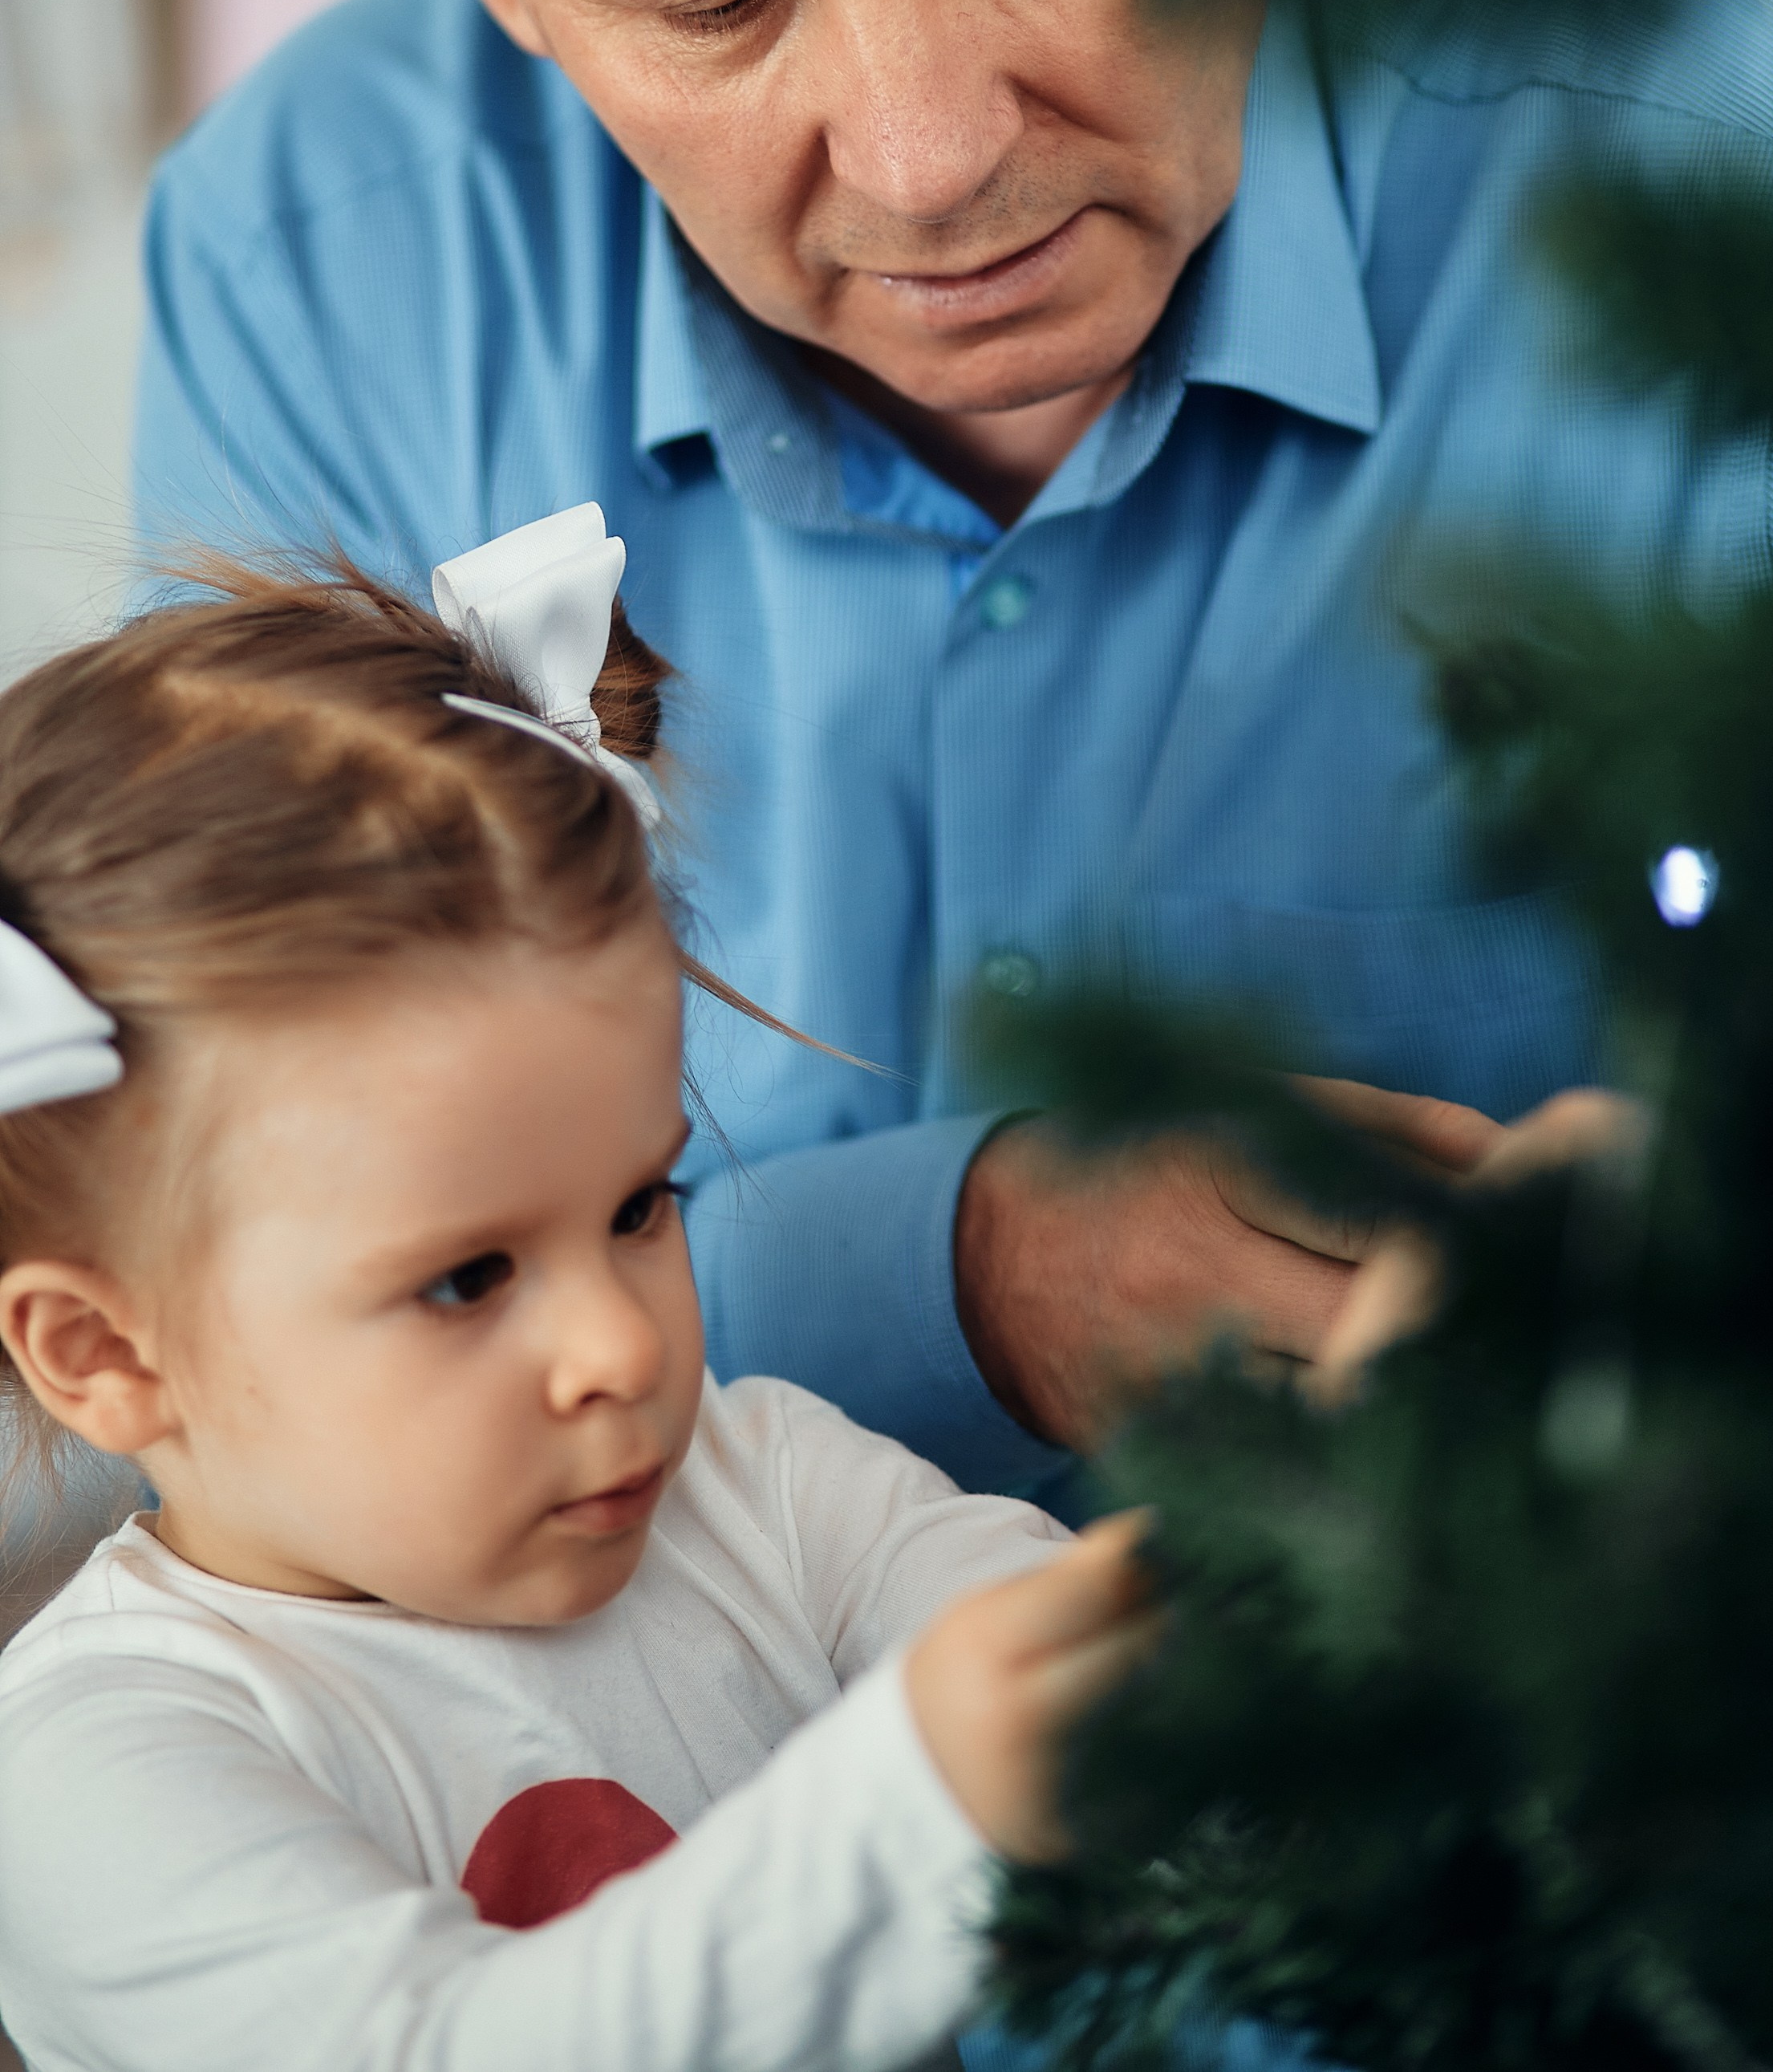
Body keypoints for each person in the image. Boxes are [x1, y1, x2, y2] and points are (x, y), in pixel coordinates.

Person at [131, 0, 1773, 1501]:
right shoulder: (311, 263)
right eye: (726, 2)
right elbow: (243, 1277)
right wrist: (956, 1275)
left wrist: (1698, 1296)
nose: (929, 155)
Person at [0, 508, 1154, 2072]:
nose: (620, 1344)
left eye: (637, 1207)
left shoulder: (763, 1484)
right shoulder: (98, 1766)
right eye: (466, 1277)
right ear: (107, 1351)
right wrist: (924, 1795)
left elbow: (1129, 1723)